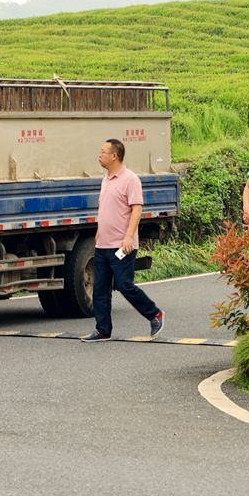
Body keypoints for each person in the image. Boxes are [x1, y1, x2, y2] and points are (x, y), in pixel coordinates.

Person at [81, 138, 166, 343]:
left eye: (103, 152)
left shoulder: (130, 179)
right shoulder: (106, 179)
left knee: (124, 284)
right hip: (102, 245)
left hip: (122, 245)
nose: (99, 155)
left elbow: (137, 209)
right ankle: (103, 329)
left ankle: (155, 314)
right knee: (100, 288)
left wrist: (128, 236)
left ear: (114, 156)